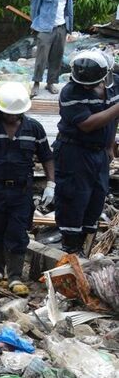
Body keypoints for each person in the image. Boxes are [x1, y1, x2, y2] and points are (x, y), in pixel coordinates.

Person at [0, 82, 55, 296]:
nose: (13, 118)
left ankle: (15, 276)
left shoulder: (34, 128)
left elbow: (47, 157)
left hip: (21, 191)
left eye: (17, 114)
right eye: (8, 114)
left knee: (17, 231)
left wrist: (51, 183)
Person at [54, 50, 119, 255]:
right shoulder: (70, 92)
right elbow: (87, 124)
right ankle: (70, 247)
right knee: (74, 197)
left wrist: (109, 145)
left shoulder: (113, 84)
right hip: (74, 151)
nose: (86, 87)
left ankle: (83, 246)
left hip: (98, 152)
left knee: (97, 196)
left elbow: (111, 120)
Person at [30, 0, 73, 97]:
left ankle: (50, 83)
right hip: (46, 28)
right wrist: (36, 25)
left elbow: (69, 10)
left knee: (57, 57)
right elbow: (34, 7)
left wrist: (69, 28)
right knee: (41, 58)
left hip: (61, 28)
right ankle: (36, 83)